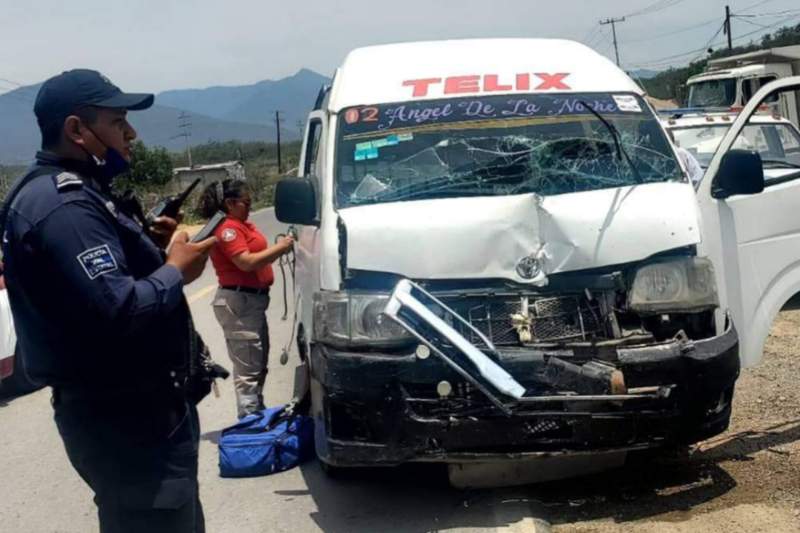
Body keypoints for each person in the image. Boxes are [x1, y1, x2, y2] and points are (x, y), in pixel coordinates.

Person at [0, 69, 217, 532]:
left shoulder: (80, 194)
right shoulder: (64, 206)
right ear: (77, 130)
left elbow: (95, 290)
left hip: (142, 414)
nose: (131, 133)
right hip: (128, 423)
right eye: (118, 121)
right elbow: (120, 310)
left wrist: (155, 255)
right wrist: (176, 271)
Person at [197, 179, 293, 418]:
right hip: (240, 303)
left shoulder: (241, 225)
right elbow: (246, 262)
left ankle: (257, 417)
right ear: (230, 203)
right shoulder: (227, 229)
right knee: (249, 369)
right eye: (246, 203)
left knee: (258, 364)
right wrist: (282, 247)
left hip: (252, 302)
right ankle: (250, 424)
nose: (250, 207)